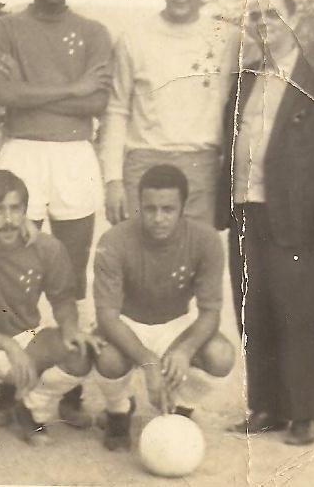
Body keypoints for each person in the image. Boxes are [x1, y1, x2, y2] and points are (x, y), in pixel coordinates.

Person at [101, 0, 314, 226]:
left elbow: (283, 58)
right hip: (144, 161)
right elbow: (117, 109)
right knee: (143, 258)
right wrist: (112, 179)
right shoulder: (134, 38)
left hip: (203, 165)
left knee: (198, 256)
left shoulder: (231, 39)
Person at [218, 0, 314, 446]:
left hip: (298, 216)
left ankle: (304, 415)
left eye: (273, 14)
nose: (264, 22)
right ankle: (266, 407)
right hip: (245, 209)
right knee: (252, 311)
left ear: (293, 19)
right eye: (254, 15)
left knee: (299, 313)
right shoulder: (244, 80)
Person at [0, 0, 113, 421]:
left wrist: (34, 92)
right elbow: (4, 95)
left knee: (69, 272)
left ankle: (69, 384)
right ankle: (8, 386)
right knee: (12, 267)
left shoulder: (95, 32)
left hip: (75, 155)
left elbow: (95, 103)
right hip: (22, 152)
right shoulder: (5, 28)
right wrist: (70, 88)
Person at [0, 170, 100, 446]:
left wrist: (71, 327)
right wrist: (6, 346)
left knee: (79, 352)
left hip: (27, 338)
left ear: (26, 211)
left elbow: (62, 300)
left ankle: (32, 406)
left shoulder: (46, 247)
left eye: (15, 209)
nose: (9, 220)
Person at [93, 164, 234, 451]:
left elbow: (210, 312)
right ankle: (118, 412)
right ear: (139, 205)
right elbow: (107, 317)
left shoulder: (205, 239)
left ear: (183, 207)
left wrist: (184, 350)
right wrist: (148, 360)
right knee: (107, 358)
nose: (158, 218)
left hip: (174, 323)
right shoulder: (114, 240)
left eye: (168, 209)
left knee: (221, 355)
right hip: (128, 322)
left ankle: (182, 406)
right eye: (150, 209)